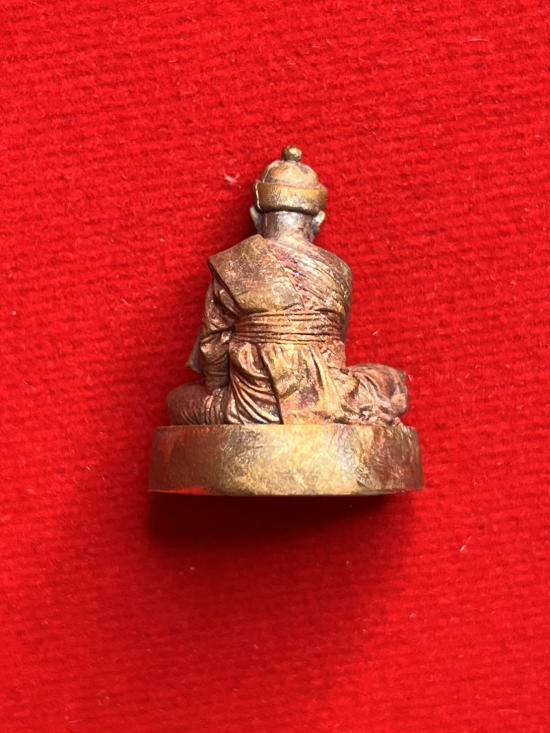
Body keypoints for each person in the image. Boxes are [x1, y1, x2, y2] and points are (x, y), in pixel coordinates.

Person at [168, 146, 408, 426]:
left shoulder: (234, 265)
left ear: (255, 215)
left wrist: (220, 391)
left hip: (253, 407)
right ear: (318, 219)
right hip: (330, 397)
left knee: (178, 400)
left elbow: (213, 347)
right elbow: (336, 346)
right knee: (385, 383)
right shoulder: (340, 270)